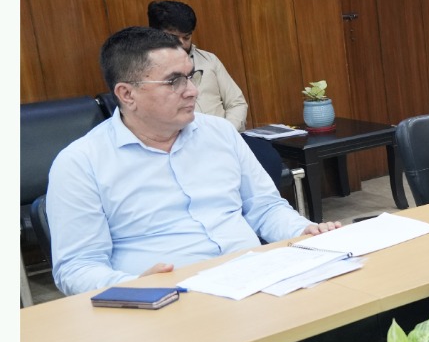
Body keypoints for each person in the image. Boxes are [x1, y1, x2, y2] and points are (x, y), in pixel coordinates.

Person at [48, 27, 337, 297]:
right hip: (166, 300)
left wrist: (302, 231)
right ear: (127, 94)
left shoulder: (219, 132)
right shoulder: (81, 163)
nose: (192, 91)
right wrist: (133, 286)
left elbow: (265, 207)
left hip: (255, 282)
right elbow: (77, 267)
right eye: (174, 81)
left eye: (190, 76)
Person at [147, 0, 249, 131]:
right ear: (156, 34)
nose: (181, 44)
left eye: (186, 37)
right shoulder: (147, 68)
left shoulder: (209, 60)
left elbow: (237, 103)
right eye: (174, 37)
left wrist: (227, 132)